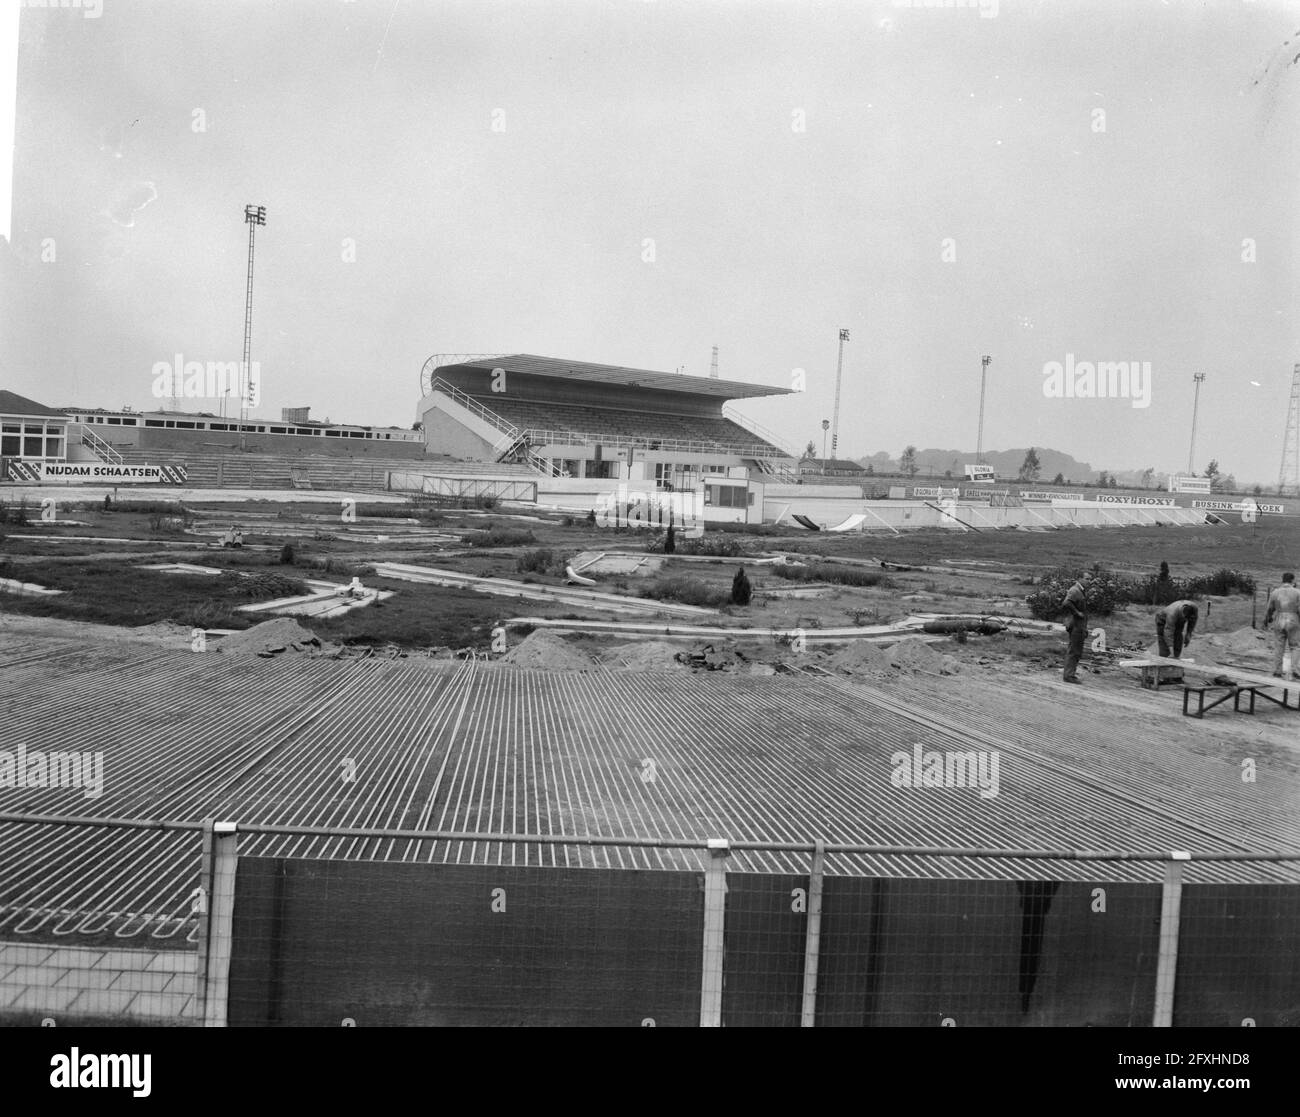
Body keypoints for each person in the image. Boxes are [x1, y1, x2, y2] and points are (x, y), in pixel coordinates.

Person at [1263, 572, 1300, 680]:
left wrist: (1267, 619)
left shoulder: (1275, 592)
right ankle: (1294, 670)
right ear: (1292, 580)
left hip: (1279, 619)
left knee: (1279, 646)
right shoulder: (1297, 592)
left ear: (1282, 580)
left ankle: (1277, 671)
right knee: (1295, 646)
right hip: (1293, 618)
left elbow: (1269, 608)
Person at [1061, 571, 1092, 683]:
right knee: (1074, 651)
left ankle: (1070, 674)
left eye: (1090, 579)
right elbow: (1066, 603)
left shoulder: (1081, 591)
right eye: (1087, 579)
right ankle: (1069, 676)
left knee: (1076, 650)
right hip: (1076, 625)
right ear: (1079, 578)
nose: (1089, 581)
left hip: (1080, 625)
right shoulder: (1075, 590)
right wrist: (1077, 613)